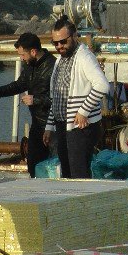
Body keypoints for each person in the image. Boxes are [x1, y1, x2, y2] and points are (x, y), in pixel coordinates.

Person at [42, 18, 109, 179]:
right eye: (55, 43)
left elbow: (102, 85)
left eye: (63, 41)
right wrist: (49, 127)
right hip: (62, 126)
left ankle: (83, 202)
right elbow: (56, 97)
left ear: (74, 36)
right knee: (66, 171)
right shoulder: (59, 60)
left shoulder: (85, 57)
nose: (59, 46)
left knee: (78, 172)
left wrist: (83, 111)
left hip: (80, 127)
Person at [0, 32, 55, 177]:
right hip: (37, 123)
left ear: (33, 51)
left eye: (23, 55)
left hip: (53, 124)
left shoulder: (53, 66)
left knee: (55, 164)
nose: (21, 58)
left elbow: (61, 98)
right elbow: (19, 85)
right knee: (33, 163)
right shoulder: (30, 65)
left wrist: (35, 99)